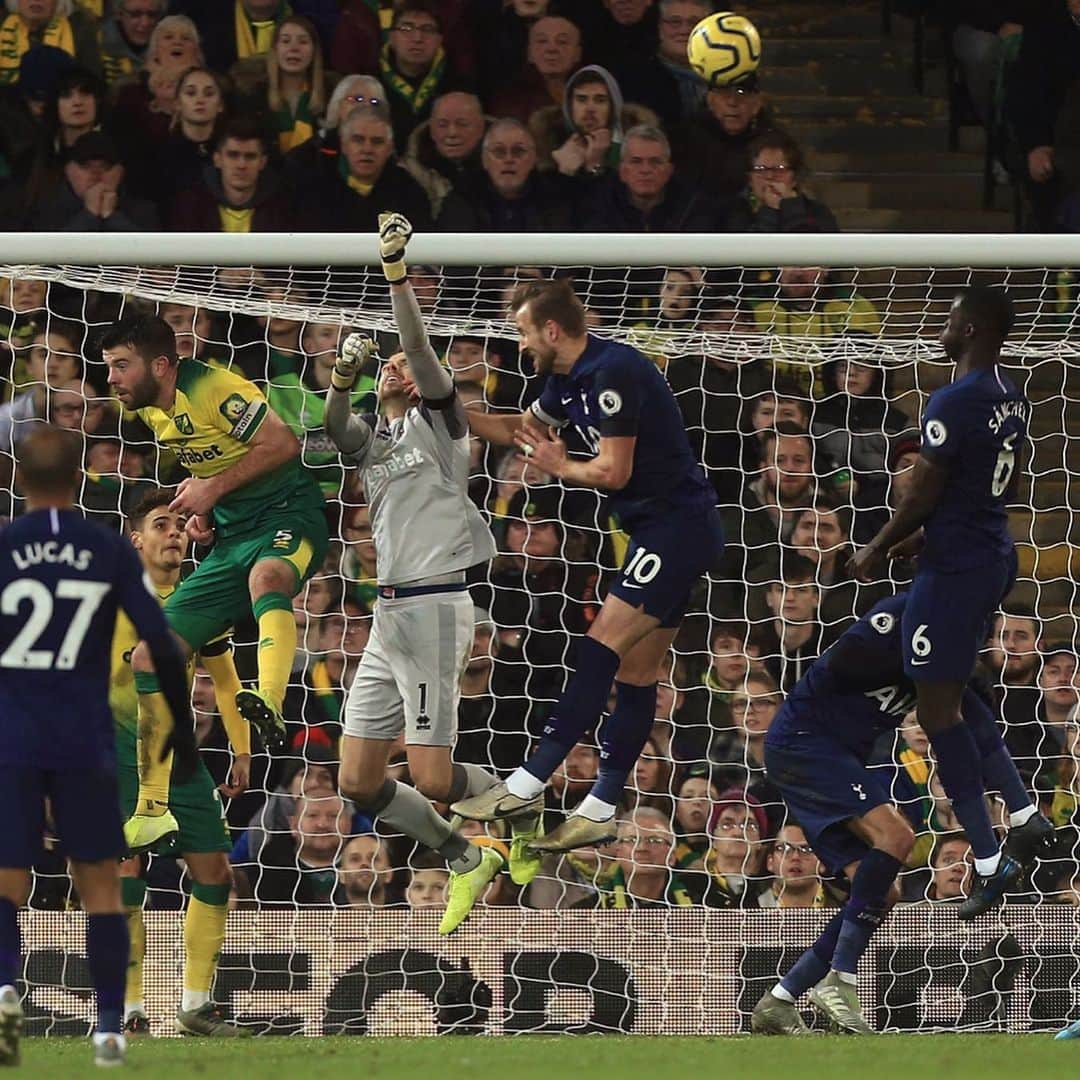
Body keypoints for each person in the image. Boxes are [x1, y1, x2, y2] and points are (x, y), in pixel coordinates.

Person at [454, 277, 723, 852]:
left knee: (599, 646)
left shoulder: (612, 373)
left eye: (524, 333)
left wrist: (559, 464)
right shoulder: (564, 378)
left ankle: (527, 782)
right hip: (658, 529)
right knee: (635, 673)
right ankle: (600, 805)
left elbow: (612, 472)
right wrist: (446, 407)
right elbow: (521, 432)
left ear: (552, 329)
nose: (520, 344)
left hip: (677, 528)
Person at [324, 213, 511, 937]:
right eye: (387, 367)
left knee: (433, 778)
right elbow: (340, 429)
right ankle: (465, 854)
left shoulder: (443, 430)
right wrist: (342, 379)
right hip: (389, 617)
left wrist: (396, 275)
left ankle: (521, 811)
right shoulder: (375, 447)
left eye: (402, 364)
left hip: (436, 606)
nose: (397, 368)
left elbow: (422, 354)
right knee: (358, 780)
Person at [751, 592, 1053, 1037]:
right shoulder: (900, 620)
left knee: (882, 892)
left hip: (830, 756)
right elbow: (841, 662)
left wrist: (1016, 820)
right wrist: (911, 658)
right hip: (806, 742)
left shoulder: (947, 673)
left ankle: (779, 1000)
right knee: (896, 837)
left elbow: (981, 744)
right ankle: (841, 980)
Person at [0, 426, 194, 1068]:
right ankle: (110, 1025)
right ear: (81, 483)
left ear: (18, 480)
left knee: (7, 881)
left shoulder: (2, 548)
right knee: (102, 884)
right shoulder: (106, 550)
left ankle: (4, 989)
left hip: (14, 735)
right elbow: (160, 640)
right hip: (84, 737)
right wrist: (181, 730)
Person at [100, 313, 330, 838]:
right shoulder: (154, 415)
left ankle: (269, 699)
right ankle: (153, 810)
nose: (111, 378)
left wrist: (212, 489)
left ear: (159, 364)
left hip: (287, 514)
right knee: (149, 656)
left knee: (267, 580)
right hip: (231, 537)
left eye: (120, 365)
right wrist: (206, 506)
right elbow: (216, 462)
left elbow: (282, 444)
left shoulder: (212, 385)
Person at [849, 285, 1037, 918]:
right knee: (951, 693)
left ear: (976, 327)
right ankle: (1026, 814)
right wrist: (934, 534)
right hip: (988, 551)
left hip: (955, 570)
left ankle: (990, 856)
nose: (943, 327)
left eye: (952, 319)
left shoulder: (951, 400)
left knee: (937, 710)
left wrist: (876, 547)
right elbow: (990, 483)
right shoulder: (1011, 395)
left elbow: (924, 491)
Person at [111, 489, 252, 1038]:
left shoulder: (201, 601)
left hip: (181, 758)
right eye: (161, 524)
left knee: (214, 871)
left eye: (180, 523)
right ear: (136, 540)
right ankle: (126, 1008)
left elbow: (226, 683)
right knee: (127, 872)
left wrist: (241, 749)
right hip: (118, 755)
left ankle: (195, 1005)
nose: (174, 533)